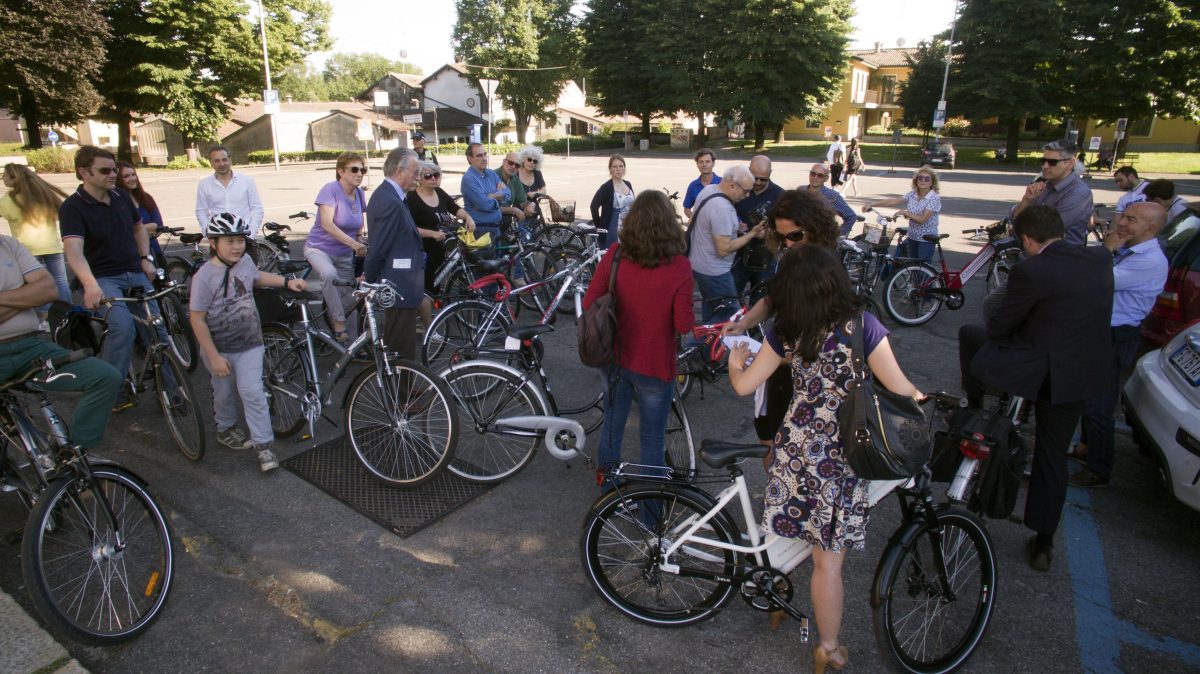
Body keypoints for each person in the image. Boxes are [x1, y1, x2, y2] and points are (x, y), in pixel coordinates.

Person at [728, 244, 920, 673]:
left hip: (793, 448)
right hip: (841, 457)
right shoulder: (862, 327)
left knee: (787, 531)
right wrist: (925, 403)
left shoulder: (786, 330)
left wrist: (735, 362)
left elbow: (744, 387)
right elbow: (901, 388)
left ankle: (776, 603)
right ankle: (828, 647)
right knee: (827, 561)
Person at [958, 205, 1112, 572]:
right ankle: (1043, 541)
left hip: (1037, 369)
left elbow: (1001, 325)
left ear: (1027, 239)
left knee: (973, 337)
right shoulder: (1099, 260)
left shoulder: (1032, 269)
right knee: (1052, 455)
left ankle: (975, 404)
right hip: (1080, 372)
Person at [723, 189, 841, 466]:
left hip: (805, 370)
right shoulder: (791, 257)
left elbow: (834, 329)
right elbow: (772, 298)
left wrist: (788, 355)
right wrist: (744, 323)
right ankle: (776, 498)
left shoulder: (828, 267)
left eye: (795, 236)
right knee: (770, 439)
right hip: (780, 362)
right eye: (782, 235)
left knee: (799, 446)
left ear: (815, 228)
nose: (788, 243)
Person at [582, 190, 693, 477]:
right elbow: (683, 324)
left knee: (611, 428)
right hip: (655, 364)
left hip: (615, 357)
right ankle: (650, 514)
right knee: (652, 440)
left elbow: (588, 302)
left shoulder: (615, 256)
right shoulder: (680, 266)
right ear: (670, 223)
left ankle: (608, 490)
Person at [190, 213, 307, 471]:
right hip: (218, 348)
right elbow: (197, 319)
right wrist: (214, 357)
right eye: (229, 241)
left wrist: (287, 282)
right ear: (213, 243)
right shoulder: (204, 277)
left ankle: (263, 447)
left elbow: (258, 277)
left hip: (250, 344)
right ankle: (226, 428)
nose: (237, 246)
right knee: (224, 393)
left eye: (240, 240)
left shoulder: (244, 262)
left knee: (253, 393)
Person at [59, 146, 172, 411]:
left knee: (157, 329)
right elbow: (74, 252)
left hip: (135, 272)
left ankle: (170, 389)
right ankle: (113, 387)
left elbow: (138, 229)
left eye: (114, 170)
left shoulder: (121, 196)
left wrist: (146, 258)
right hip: (105, 278)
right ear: (84, 173)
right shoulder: (73, 208)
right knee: (123, 327)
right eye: (105, 170)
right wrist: (90, 286)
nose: (113, 175)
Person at [1071, 201, 1168, 489]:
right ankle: (1086, 447)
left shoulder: (1148, 260)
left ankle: (1099, 469)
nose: (1122, 223)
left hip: (1116, 335)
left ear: (1150, 228)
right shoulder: (1133, 250)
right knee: (1087, 393)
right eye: (1124, 217)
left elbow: (1096, 279)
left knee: (1099, 403)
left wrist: (1107, 248)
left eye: (1132, 220)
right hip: (1102, 331)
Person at [0, 234, 122, 452]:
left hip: (31, 347)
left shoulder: (7, 244)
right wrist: (24, 295)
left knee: (105, 377)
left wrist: (28, 294)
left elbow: (48, 290)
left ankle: (75, 457)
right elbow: (37, 292)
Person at [365, 148, 424, 361]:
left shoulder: (394, 197)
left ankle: (403, 385)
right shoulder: (388, 200)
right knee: (398, 340)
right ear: (399, 172)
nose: (418, 177)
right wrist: (369, 279)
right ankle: (399, 390)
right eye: (415, 172)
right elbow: (379, 247)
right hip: (397, 283)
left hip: (403, 283)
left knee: (404, 339)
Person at [303, 151, 368, 343]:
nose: (359, 173)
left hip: (345, 253)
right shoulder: (330, 190)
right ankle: (338, 324)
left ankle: (352, 346)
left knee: (350, 297)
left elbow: (359, 220)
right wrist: (354, 243)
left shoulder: (359, 193)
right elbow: (326, 224)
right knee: (329, 275)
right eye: (354, 169)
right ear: (341, 171)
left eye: (362, 170)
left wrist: (359, 237)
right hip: (319, 248)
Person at [687, 165, 763, 324]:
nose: (748, 195)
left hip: (699, 265)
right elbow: (723, 249)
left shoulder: (709, 190)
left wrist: (734, 227)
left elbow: (707, 224)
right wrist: (752, 234)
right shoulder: (723, 208)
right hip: (715, 272)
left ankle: (705, 346)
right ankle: (700, 346)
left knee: (712, 315)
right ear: (732, 185)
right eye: (745, 190)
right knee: (729, 320)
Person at [408, 161, 476, 327]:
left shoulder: (439, 192)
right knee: (426, 293)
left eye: (436, 175)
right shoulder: (412, 198)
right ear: (419, 178)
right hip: (422, 252)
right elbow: (408, 227)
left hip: (440, 249)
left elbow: (455, 209)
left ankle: (421, 320)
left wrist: (468, 217)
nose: (433, 179)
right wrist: (431, 233)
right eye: (428, 176)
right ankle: (428, 330)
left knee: (436, 288)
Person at [0, 163, 72, 310]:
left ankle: (45, 318)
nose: (2, 178)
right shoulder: (43, 194)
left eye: (4, 175)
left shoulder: (8, 200)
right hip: (52, 246)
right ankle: (67, 312)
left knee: (37, 286)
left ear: (14, 178)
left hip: (28, 250)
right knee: (61, 282)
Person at [1011, 141, 1093, 246]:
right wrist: (1027, 199)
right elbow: (1015, 217)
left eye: (1052, 162)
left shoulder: (1078, 193)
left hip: (1061, 256)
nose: (1045, 166)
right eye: (1043, 161)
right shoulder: (1045, 185)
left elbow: (1044, 231)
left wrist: (1021, 222)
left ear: (1070, 163)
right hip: (1033, 250)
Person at [730, 155, 783, 304]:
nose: (758, 182)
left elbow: (789, 228)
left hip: (767, 256)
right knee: (732, 297)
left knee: (761, 301)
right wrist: (736, 225)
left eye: (763, 179)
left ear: (770, 174)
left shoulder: (780, 195)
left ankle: (753, 326)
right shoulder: (737, 190)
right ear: (748, 171)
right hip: (739, 254)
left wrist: (770, 233)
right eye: (755, 178)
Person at [863, 166, 942, 261]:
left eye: (927, 179)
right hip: (912, 236)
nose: (923, 181)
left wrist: (904, 212)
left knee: (922, 270)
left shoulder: (934, 198)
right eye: (920, 178)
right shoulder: (913, 194)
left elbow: (922, 219)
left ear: (932, 182)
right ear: (916, 180)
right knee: (912, 267)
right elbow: (894, 202)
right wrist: (872, 203)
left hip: (926, 240)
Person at [195, 145, 265, 239]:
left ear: (230, 160)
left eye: (224, 159)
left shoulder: (246, 181)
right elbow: (201, 211)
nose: (222, 164)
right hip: (218, 236)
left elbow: (257, 208)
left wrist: (251, 233)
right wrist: (207, 232)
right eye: (217, 161)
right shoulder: (204, 184)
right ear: (211, 163)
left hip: (243, 234)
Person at [116, 161, 166, 267]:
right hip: (132, 255)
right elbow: (122, 230)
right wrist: (145, 228)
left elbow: (158, 224)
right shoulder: (116, 201)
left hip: (154, 250)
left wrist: (137, 229)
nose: (132, 178)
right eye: (126, 176)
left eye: (133, 175)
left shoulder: (146, 198)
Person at [460, 143, 509, 242]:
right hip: (480, 230)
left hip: (496, 227)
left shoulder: (491, 173)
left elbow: (508, 194)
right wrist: (499, 196)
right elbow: (485, 205)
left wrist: (492, 196)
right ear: (470, 158)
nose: (484, 158)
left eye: (485, 154)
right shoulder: (469, 179)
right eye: (479, 155)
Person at [589, 154, 634, 247]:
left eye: (621, 166)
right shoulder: (606, 187)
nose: (618, 169)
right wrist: (599, 225)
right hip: (614, 229)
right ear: (610, 169)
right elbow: (593, 206)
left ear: (624, 168)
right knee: (614, 258)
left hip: (630, 228)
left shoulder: (628, 184)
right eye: (615, 166)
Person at [805, 164, 858, 235]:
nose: (815, 177)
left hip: (819, 240)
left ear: (826, 178)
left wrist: (836, 235)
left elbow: (851, 216)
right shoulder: (801, 190)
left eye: (820, 175)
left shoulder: (831, 195)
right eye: (813, 174)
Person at [682, 148, 721, 220]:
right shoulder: (693, 185)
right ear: (697, 164)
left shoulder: (722, 183)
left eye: (707, 161)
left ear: (713, 163)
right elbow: (686, 209)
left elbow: (732, 206)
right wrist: (698, 221)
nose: (704, 164)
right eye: (701, 162)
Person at [497, 151, 532, 225]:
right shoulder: (493, 176)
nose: (513, 167)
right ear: (504, 162)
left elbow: (522, 202)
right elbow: (488, 206)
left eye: (517, 165)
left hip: (506, 222)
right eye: (510, 163)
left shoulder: (515, 179)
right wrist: (513, 210)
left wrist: (531, 205)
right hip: (491, 224)